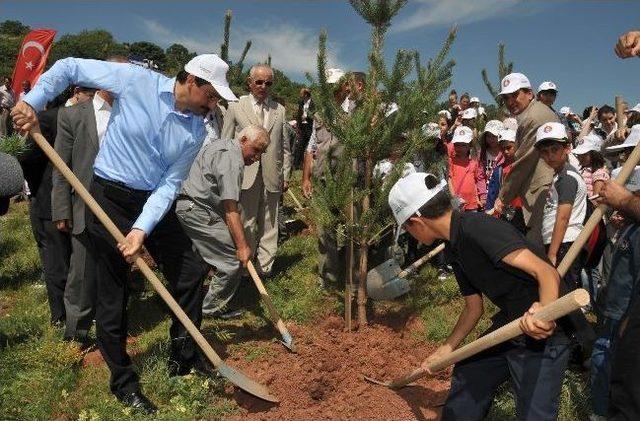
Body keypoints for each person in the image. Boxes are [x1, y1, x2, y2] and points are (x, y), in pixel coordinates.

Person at [12, 54, 237, 413]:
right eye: (211, 96)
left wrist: (140, 230)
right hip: (108, 196)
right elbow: (70, 67)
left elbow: (169, 184)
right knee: (113, 288)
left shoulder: (196, 131)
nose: (214, 105)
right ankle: (123, 382)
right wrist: (32, 102)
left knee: (190, 270)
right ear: (192, 81)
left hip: (152, 202)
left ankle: (182, 358)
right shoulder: (136, 81)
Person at [388, 172, 569, 421]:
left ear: (417, 222)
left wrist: (545, 314)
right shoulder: (454, 245)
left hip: (546, 332)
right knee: (469, 371)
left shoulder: (477, 228)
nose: (411, 236)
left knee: (533, 415)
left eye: (407, 229)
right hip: (511, 324)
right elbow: (473, 307)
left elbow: (547, 272)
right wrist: (447, 348)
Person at [176, 125, 269, 317]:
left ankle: (190, 300)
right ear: (243, 140)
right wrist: (242, 247)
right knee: (231, 260)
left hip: (190, 206)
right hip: (198, 211)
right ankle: (211, 309)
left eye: (262, 152)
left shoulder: (221, 145)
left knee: (199, 261)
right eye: (256, 150)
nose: (257, 156)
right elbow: (230, 209)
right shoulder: (233, 161)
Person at [51, 82, 118, 343]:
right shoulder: (74, 115)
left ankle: (112, 330)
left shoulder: (133, 112)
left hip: (120, 206)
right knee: (81, 274)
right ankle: (76, 335)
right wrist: (61, 208)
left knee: (114, 271)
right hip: (84, 205)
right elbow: (61, 166)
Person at [221, 64, 291, 278]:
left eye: (268, 83)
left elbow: (284, 146)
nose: (263, 86)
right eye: (259, 82)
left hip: (272, 175)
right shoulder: (235, 106)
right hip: (245, 175)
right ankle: (246, 268)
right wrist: (228, 174)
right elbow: (226, 143)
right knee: (247, 221)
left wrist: (285, 174)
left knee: (270, 222)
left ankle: (265, 268)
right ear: (249, 82)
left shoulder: (279, 110)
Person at [589, 167, 640, 418]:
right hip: (614, 306)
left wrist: (629, 318)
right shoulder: (628, 228)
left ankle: (604, 409)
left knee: (609, 356)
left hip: (626, 312)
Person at [493, 72, 560, 250]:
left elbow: (523, 162)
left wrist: (502, 198)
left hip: (545, 193)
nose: (510, 101)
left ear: (529, 93)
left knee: (543, 254)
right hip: (543, 192)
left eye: (515, 95)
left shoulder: (533, 118)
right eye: (506, 98)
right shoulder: (534, 113)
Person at [486, 128, 525, 232]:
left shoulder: (524, 166)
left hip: (524, 213)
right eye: (502, 149)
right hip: (505, 214)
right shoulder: (499, 170)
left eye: (509, 147)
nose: (505, 151)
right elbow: (492, 193)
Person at [448, 126, 486, 211]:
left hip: (472, 203)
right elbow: (449, 180)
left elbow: (475, 182)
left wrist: (478, 199)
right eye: (457, 144)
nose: (459, 148)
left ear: (470, 145)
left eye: (463, 145)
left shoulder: (474, 162)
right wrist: (454, 197)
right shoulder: (451, 162)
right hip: (456, 203)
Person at [294, 88, 314, 168]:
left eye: (302, 95)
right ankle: (297, 164)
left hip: (310, 127)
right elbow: (299, 114)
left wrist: (306, 117)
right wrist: (298, 125)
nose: (301, 97)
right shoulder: (301, 103)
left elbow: (314, 115)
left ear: (306, 95)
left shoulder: (313, 104)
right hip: (302, 127)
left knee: (310, 147)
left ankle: (308, 165)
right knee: (300, 146)